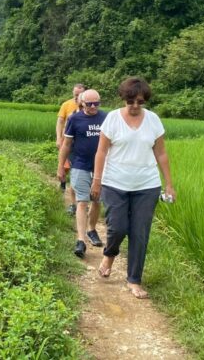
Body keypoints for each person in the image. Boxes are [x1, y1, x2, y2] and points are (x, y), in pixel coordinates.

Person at [91, 77, 176, 299]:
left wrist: (169, 184)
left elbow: (161, 153)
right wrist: (97, 180)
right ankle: (110, 254)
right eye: (131, 101)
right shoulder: (112, 119)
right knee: (117, 227)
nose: (136, 106)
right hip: (114, 182)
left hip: (146, 185)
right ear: (123, 99)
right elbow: (101, 152)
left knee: (140, 232)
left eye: (140, 101)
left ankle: (134, 280)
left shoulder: (154, 120)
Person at [57, 89, 107, 258]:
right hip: (80, 165)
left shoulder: (106, 118)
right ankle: (81, 240)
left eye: (96, 104)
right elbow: (66, 144)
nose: (93, 107)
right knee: (82, 201)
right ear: (82, 103)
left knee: (97, 201)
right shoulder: (75, 119)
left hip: (101, 168)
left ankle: (92, 229)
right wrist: (60, 166)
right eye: (89, 104)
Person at [56, 83, 86, 215]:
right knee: (67, 168)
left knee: (77, 172)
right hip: (68, 142)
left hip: (83, 145)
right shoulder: (66, 105)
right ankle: (64, 185)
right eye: (76, 94)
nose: (77, 97)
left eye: (80, 94)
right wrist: (59, 138)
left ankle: (79, 203)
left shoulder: (89, 107)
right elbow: (60, 122)